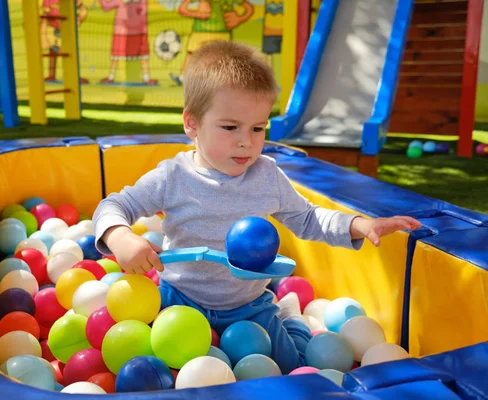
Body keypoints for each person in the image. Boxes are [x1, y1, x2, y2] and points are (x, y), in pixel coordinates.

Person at [93, 41, 421, 373]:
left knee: (289, 366)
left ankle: (291, 318)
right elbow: (115, 205)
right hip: (180, 299)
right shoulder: (172, 176)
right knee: (153, 366)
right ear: (192, 124)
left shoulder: (266, 176)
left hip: (249, 306)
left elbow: (307, 217)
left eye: (257, 128)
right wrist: (120, 237)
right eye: (230, 127)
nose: (246, 141)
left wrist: (357, 225)